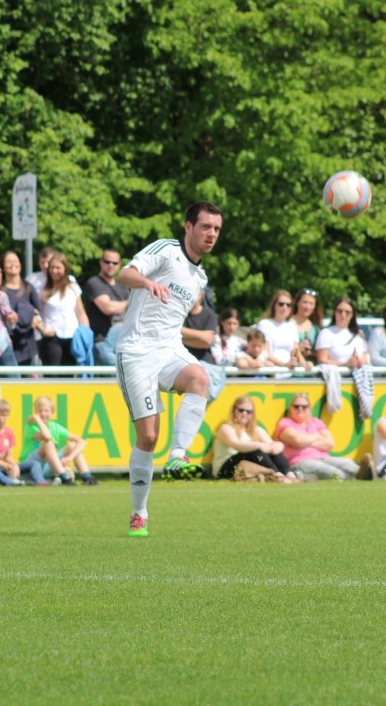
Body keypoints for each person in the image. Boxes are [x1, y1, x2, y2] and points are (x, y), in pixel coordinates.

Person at [116, 201, 223, 536]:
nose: (211, 234)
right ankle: (139, 513)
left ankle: (178, 456)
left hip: (169, 350)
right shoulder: (166, 250)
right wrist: (146, 283)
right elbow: (124, 274)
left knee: (200, 377)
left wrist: (196, 337)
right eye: (205, 227)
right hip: (136, 352)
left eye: (216, 229)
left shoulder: (200, 277)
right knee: (148, 437)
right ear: (188, 227)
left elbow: (170, 323)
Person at [210, 395, 296, 482]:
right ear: (234, 411)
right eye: (241, 410)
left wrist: (277, 446)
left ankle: (290, 475)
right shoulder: (226, 428)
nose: (244, 414)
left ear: (252, 414)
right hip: (223, 470)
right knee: (253, 451)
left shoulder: (256, 430)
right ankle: (278, 476)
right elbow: (237, 445)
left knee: (272, 451)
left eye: (248, 412)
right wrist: (259, 446)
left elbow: (273, 445)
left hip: (243, 467)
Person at [275, 393, 358, 480]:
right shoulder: (285, 423)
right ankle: (346, 477)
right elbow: (298, 441)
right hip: (300, 461)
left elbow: (330, 443)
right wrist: (317, 436)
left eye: (304, 406)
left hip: (323, 458)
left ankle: (359, 474)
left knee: (350, 465)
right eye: (296, 406)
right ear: (291, 408)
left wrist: (305, 442)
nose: (300, 409)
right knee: (334, 473)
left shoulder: (316, 422)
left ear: (309, 408)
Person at [23, 396, 96, 485]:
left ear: (52, 413)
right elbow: (47, 436)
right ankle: (65, 478)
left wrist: (69, 458)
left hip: (47, 467)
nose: (43, 414)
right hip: (31, 467)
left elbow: (82, 441)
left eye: (46, 411)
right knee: (48, 443)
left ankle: (87, 477)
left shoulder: (54, 426)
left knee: (73, 445)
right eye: (40, 411)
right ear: (35, 412)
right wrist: (37, 419)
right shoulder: (31, 426)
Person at [36, 251, 89, 366]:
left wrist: (86, 333)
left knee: (69, 372)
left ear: (65, 269)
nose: (54, 271)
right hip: (52, 336)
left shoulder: (73, 287)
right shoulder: (43, 289)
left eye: (58, 268)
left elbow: (81, 313)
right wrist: (43, 330)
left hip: (72, 335)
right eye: (52, 267)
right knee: (53, 372)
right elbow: (36, 314)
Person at [83, 249, 131, 365]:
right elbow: (108, 308)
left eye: (114, 263)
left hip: (125, 340)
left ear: (119, 264)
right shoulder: (94, 282)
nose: (110, 265)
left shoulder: (123, 286)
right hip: (102, 340)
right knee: (120, 367)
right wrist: (129, 303)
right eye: (107, 262)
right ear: (101, 262)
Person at [1, 250, 43, 367]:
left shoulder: (29, 287)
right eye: (9, 262)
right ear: (3, 267)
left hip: (27, 345)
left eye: (16, 261)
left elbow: (39, 311)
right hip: (7, 344)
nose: (13, 264)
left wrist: (36, 319)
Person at [256, 289, 307, 368]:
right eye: (281, 304)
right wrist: (283, 364)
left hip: (288, 371)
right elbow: (264, 352)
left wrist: (306, 364)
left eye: (288, 305)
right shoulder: (264, 324)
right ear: (274, 305)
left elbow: (296, 352)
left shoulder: (292, 327)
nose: (284, 307)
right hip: (269, 370)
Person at [314, 296, 369, 368]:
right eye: (340, 311)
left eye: (347, 312)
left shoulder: (359, 334)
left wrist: (359, 362)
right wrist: (345, 364)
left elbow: (365, 356)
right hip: (335, 373)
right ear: (335, 312)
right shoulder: (326, 333)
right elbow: (322, 360)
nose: (343, 314)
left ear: (352, 315)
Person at [182, 294, 219, 364]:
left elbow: (207, 341)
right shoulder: (180, 313)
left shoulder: (210, 314)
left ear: (200, 296)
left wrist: (179, 337)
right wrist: (201, 336)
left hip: (203, 361)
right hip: (181, 359)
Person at [291, 288, 322, 365]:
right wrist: (297, 348)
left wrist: (310, 353)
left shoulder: (316, 329)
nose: (307, 307)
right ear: (297, 303)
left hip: (309, 369)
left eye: (311, 304)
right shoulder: (287, 324)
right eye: (305, 302)